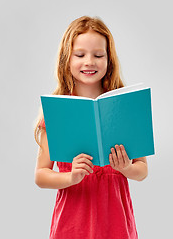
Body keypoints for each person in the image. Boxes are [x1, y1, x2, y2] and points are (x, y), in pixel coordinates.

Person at [34, 16, 148, 239]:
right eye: (80, 55)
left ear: (109, 60)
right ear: (67, 59)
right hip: (72, 225)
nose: (89, 62)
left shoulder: (125, 108)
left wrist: (126, 168)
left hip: (116, 225)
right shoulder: (57, 112)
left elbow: (142, 170)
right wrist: (71, 177)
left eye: (98, 55)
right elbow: (41, 175)